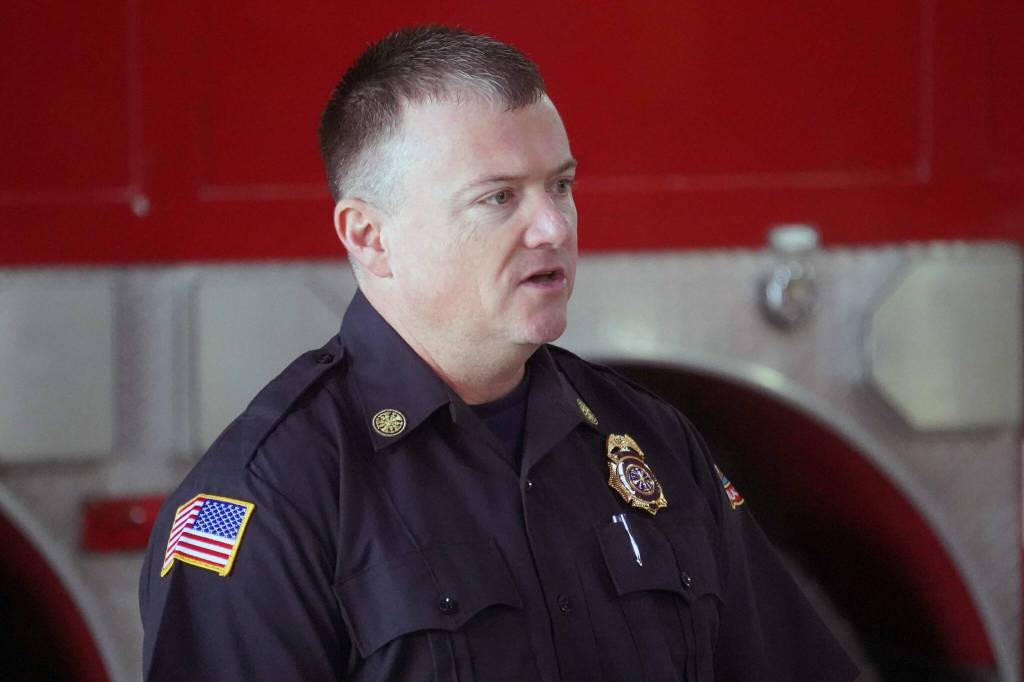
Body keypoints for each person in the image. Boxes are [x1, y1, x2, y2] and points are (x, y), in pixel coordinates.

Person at [139, 25, 859, 681]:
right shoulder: (272, 498)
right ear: (368, 236)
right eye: (498, 198)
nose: (552, 226)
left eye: (562, 185)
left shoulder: (653, 443)